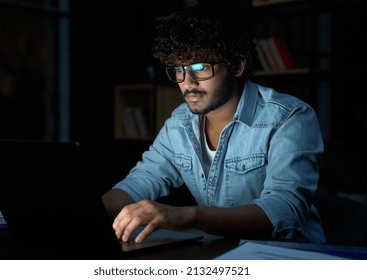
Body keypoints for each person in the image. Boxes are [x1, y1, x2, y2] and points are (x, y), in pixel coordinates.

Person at [102, 4, 325, 245]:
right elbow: (141, 181)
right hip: (219, 252)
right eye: (179, 70)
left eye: (200, 67)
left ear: (237, 66)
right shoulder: (179, 123)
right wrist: (86, 211)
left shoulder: (289, 117)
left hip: (287, 257)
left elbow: (283, 211)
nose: (187, 82)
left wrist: (187, 216)